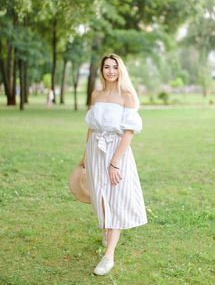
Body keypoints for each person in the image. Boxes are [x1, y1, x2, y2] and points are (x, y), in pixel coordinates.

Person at [80, 53, 147, 276]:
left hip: (116, 151)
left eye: (114, 67)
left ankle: (109, 256)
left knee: (115, 197)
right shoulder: (96, 94)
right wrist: (85, 154)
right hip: (95, 149)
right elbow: (91, 127)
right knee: (99, 194)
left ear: (120, 70)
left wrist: (115, 162)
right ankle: (107, 229)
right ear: (102, 71)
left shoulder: (127, 95)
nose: (110, 71)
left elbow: (129, 131)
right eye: (106, 67)